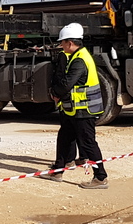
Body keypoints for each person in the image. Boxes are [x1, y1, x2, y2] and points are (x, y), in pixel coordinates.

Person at [37, 23, 109, 189]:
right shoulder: (75, 57)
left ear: (70, 43)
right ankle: (58, 170)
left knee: (88, 143)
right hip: (73, 110)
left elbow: (65, 85)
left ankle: (101, 177)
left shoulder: (79, 60)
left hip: (84, 110)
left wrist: (55, 92)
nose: (61, 46)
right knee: (64, 138)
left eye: (62, 43)